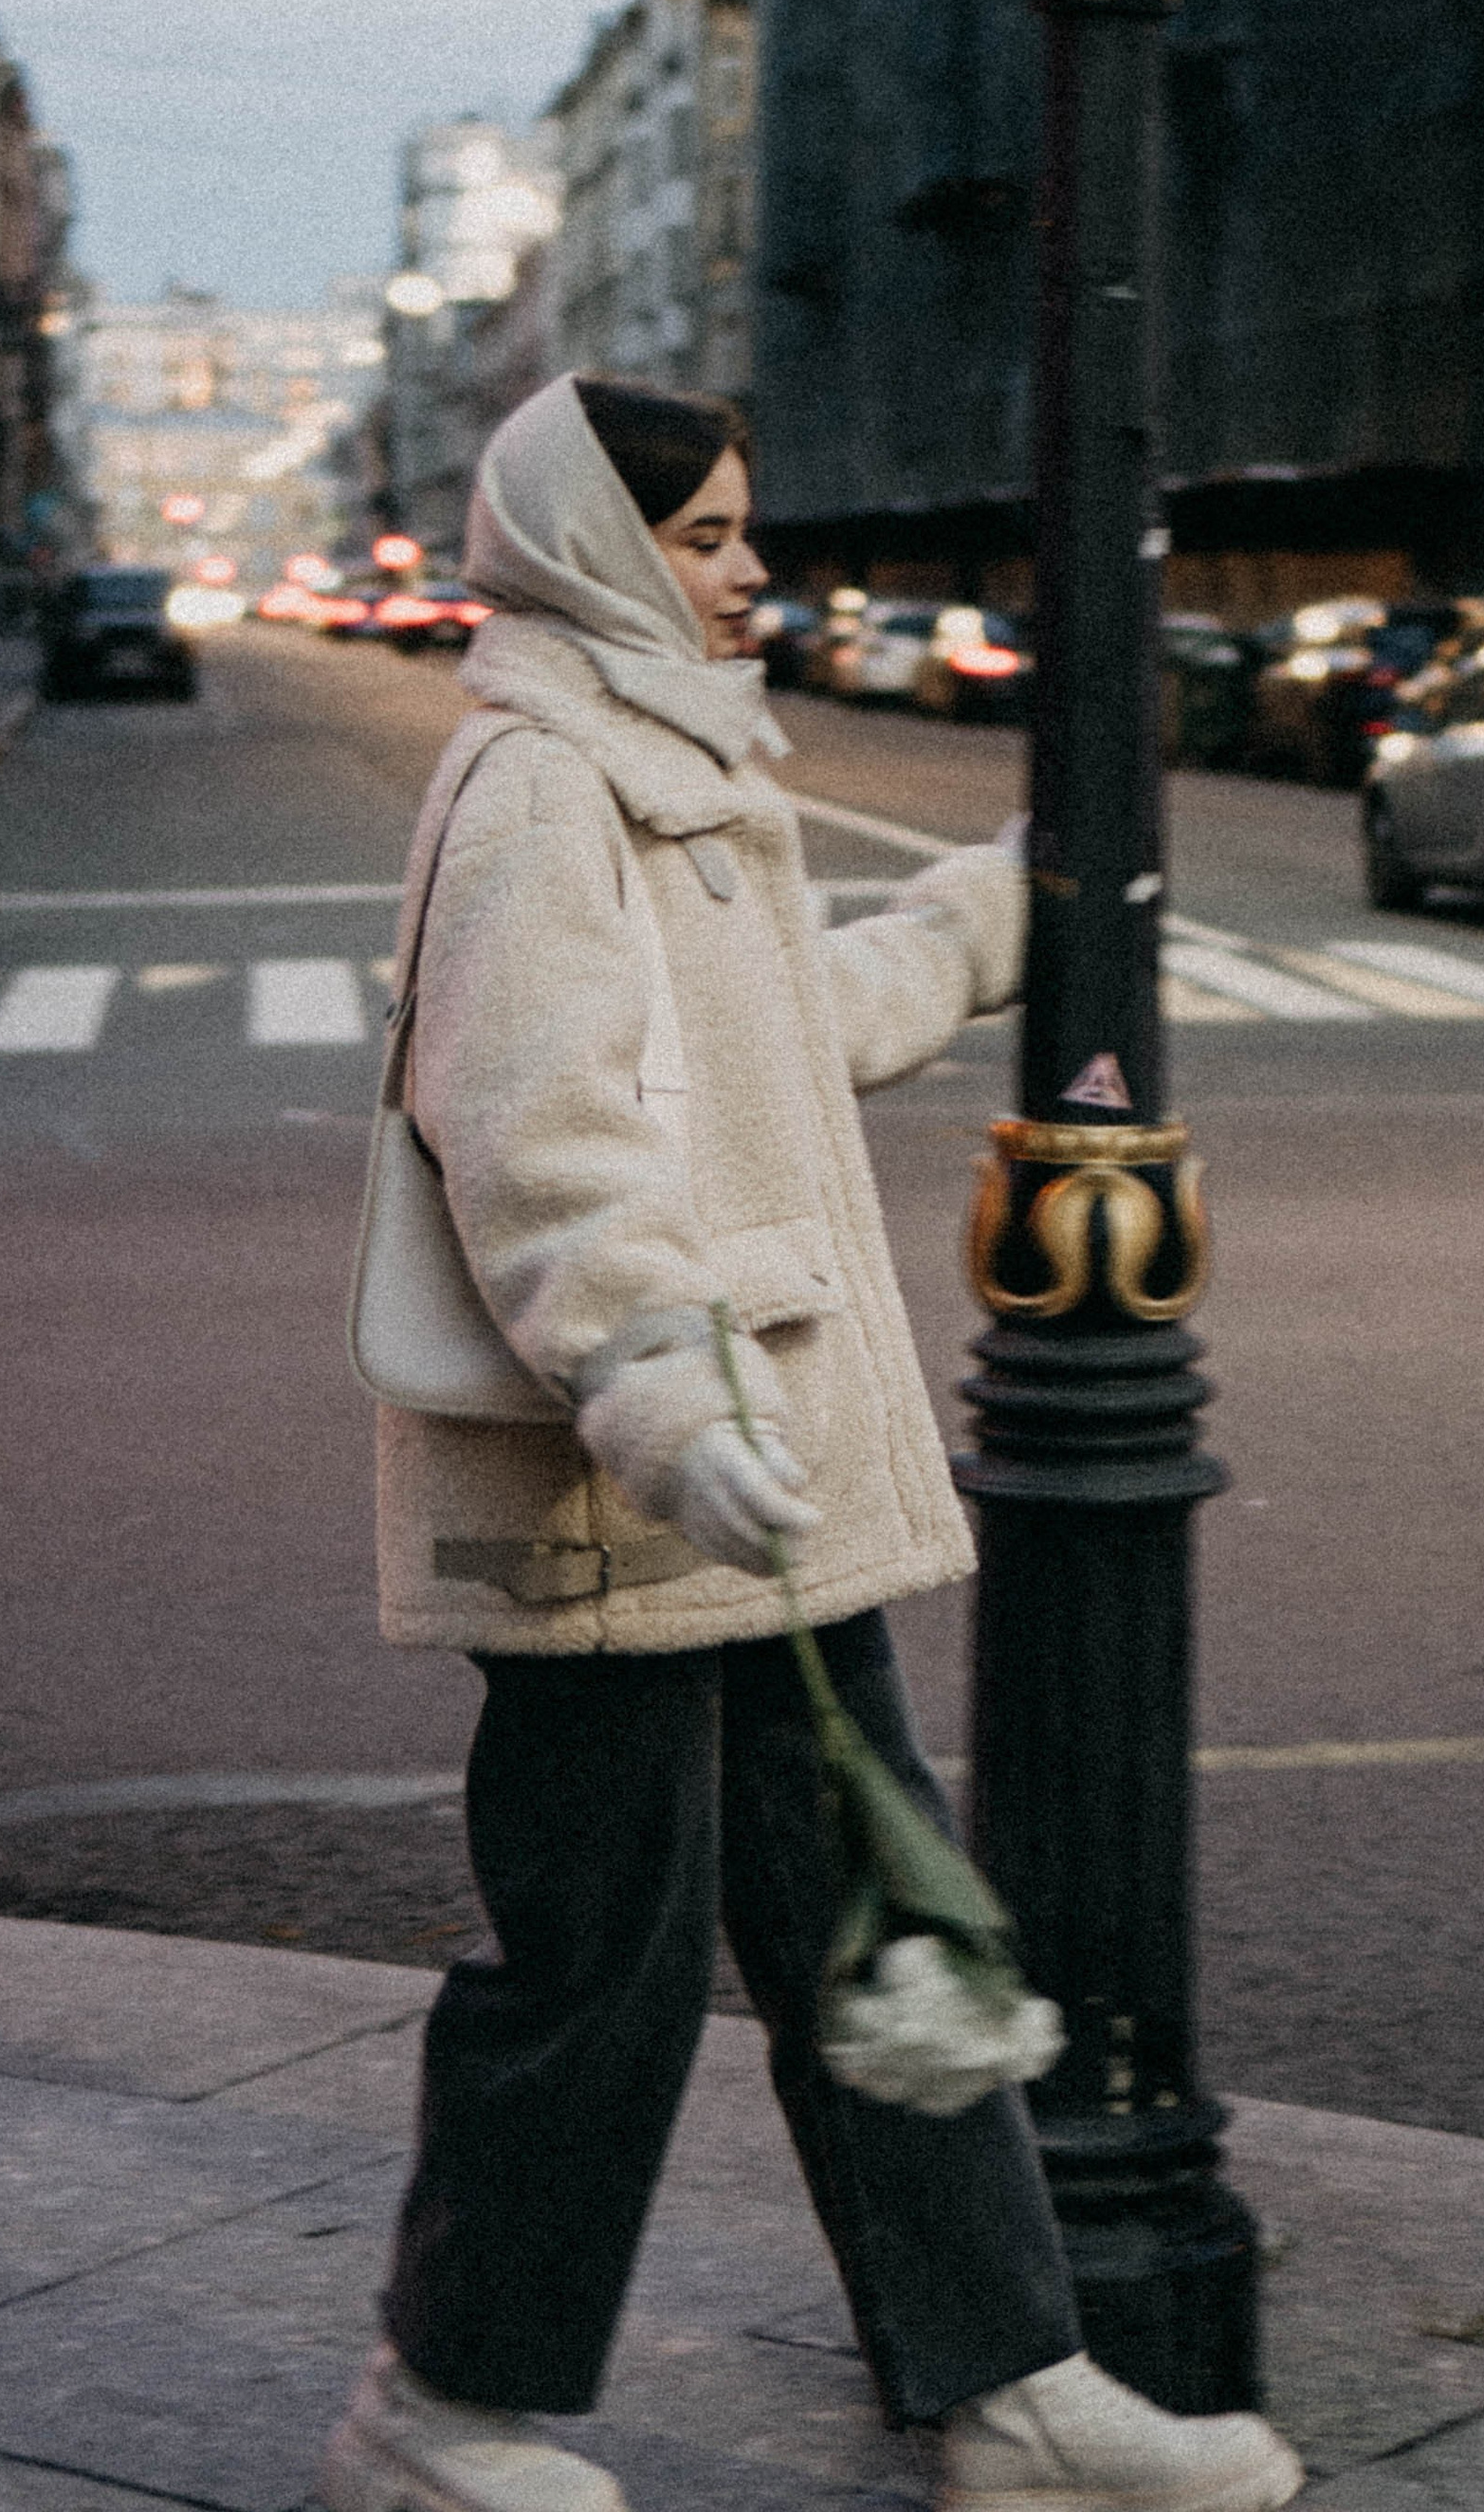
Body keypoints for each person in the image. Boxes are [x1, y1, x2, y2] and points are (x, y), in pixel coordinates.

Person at [321, 375, 1302, 2512]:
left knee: (895, 1937)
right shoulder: (538, 787)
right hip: (633, 1483)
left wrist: (975, 922)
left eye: (745, 531)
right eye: (702, 538)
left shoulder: (668, 757)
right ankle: (436, 2411)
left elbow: (779, 1036)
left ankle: (1007, 2391)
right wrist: (657, 1395)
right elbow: (536, 1141)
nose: (751, 567)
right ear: (590, 547)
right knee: (599, 1970)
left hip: (745, 1488)